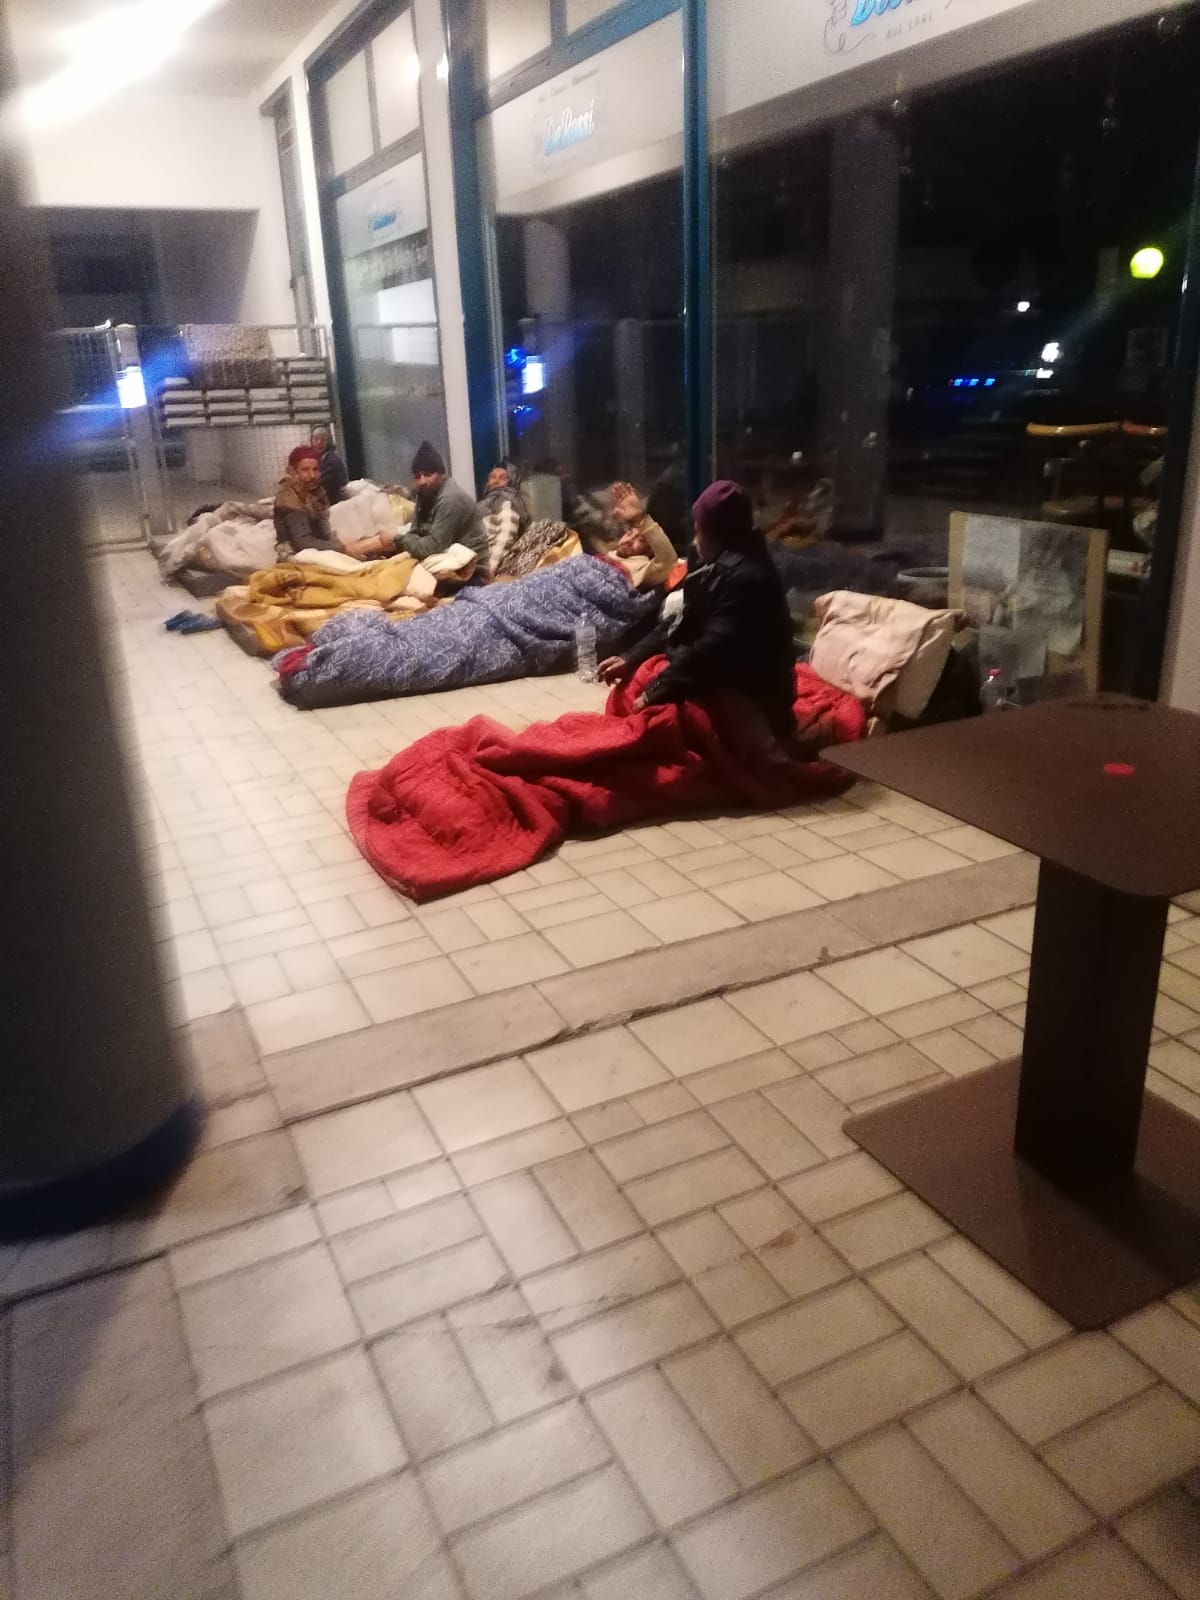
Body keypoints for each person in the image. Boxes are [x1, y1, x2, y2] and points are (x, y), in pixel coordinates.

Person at [597, 479, 798, 748]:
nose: (694, 538)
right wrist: (629, 658)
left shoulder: (745, 578)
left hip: (749, 695)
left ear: (714, 533)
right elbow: (680, 622)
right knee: (633, 685)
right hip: (717, 674)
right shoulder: (718, 565)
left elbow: (711, 650)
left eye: (698, 529)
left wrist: (655, 691)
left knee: (654, 725)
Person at [353, 441, 490, 574]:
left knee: (394, 573)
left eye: (428, 475)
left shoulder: (451, 499)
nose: (423, 481)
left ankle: (354, 553)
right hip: (440, 554)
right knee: (382, 560)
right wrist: (401, 540)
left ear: (442, 474)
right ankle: (352, 554)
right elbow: (415, 532)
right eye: (418, 476)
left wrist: (396, 538)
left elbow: (431, 547)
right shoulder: (424, 493)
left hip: (469, 567)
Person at [604, 482, 679, 589]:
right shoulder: (607, 553)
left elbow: (668, 561)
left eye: (640, 540)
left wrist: (640, 518)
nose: (629, 540)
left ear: (650, 550)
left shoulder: (642, 568)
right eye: (630, 533)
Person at [274, 445, 336, 555]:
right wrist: (343, 549)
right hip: (295, 554)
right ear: (292, 472)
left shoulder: (315, 492)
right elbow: (303, 542)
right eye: (305, 470)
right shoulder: (289, 498)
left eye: (315, 469)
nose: (312, 475)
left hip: (318, 547)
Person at [311, 424, 348, 505]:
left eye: (323, 440)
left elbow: (326, 483)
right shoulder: (313, 458)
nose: (319, 442)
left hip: (333, 499)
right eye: (316, 439)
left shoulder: (332, 459)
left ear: (328, 442)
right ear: (311, 441)